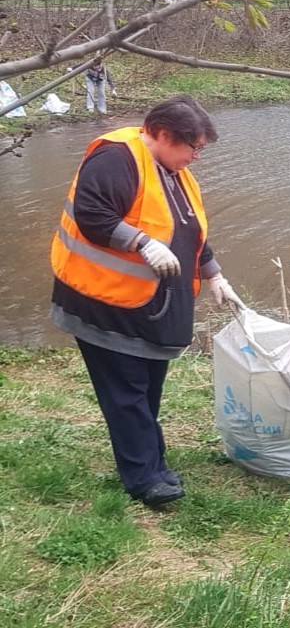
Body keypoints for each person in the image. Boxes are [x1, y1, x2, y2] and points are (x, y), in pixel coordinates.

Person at [50, 95, 244, 509]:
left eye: (200, 149)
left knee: (148, 387)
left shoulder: (171, 169)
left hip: (146, 305)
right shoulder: (116, 158)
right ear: (162, 134)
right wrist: (141, 243)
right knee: (126, 391)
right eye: (193, 148)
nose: (196, 156)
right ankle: (143, 479)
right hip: (104, 302)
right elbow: (93, 215)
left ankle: (152, 461)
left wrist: (214, 274)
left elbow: (189, 228)